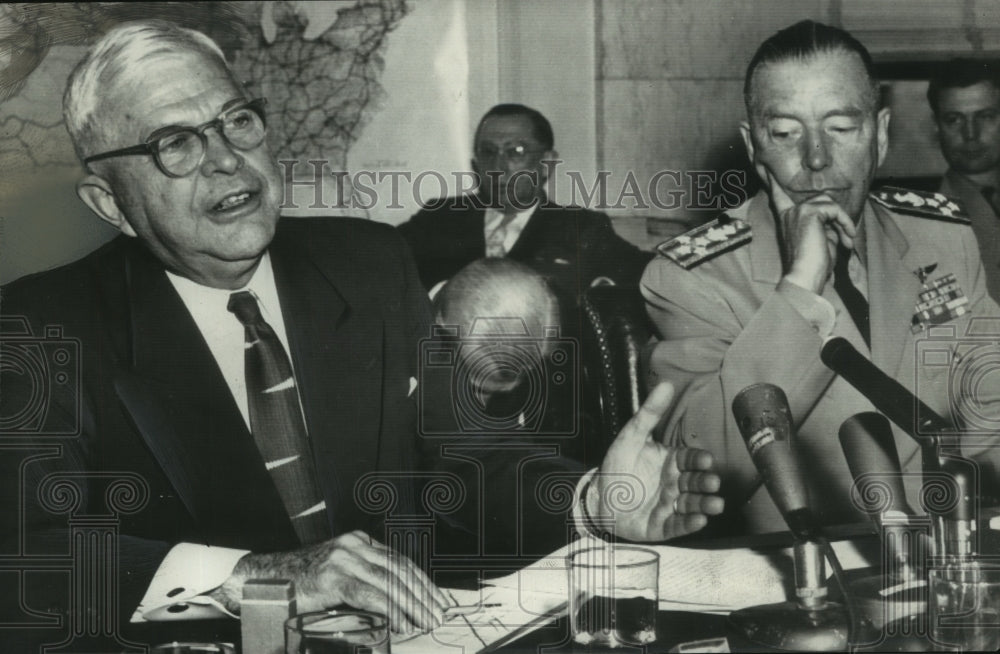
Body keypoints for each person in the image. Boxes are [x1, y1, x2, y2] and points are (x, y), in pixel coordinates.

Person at [0, 20, 723, 646]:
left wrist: (592, 500)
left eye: (237, 121)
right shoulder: (41, 328)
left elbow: (461, 465)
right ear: (110, 202)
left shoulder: (367, 262)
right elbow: (26, 557)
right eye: (174, 144)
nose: (226, 159)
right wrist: (257, 577)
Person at [642, 20, 1000, 535]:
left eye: (841, 128)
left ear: (879, 136)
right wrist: (801, 289)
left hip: (945, 565)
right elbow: (701, 481)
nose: (815, 158)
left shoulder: (942, 239)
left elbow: (988, 419)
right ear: (753, 146)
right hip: (801, 581)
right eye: (786, 133)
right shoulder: (692, 278)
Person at [396, 103, 652, 305]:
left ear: (546, 163)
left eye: (515, 152)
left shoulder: (579, 227)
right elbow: (378, 258)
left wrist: (599, 293)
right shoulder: (440, 218)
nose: (499, 167)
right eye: (488, 152)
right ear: (476, 165)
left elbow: (644, 273)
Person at [928, 58, 1000, 301]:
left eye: (985, 116)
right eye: (954, 119)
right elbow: (942, 332)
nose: (970, 134)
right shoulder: (920, 225)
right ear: (937, 127)